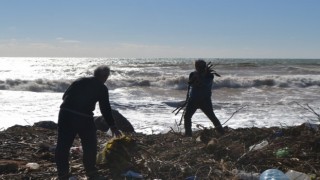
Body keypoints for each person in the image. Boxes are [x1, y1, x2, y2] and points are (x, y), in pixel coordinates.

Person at [55, 65, 122, 180]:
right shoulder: (101, 87)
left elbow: (64, 96)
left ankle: (63, 173)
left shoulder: (79, 81)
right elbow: (105, 108)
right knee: (90, 145)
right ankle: (91, 171)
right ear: (105, 76)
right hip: (84, 117)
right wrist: (113, 126)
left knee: (63, 145)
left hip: (65, 113)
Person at [183, 59, 224, 137]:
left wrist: (199, 77)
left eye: (200, 66)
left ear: (204, 66)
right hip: (193, 100)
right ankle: (188, 135)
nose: (198, 68)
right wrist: (187, 98)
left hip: (205, 100)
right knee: (187, 116)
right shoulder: (192, 74)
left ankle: (221, 132)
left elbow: (204, 84)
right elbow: (189, 85)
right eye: (197, 66)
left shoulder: (209, 75)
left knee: (212, 117)